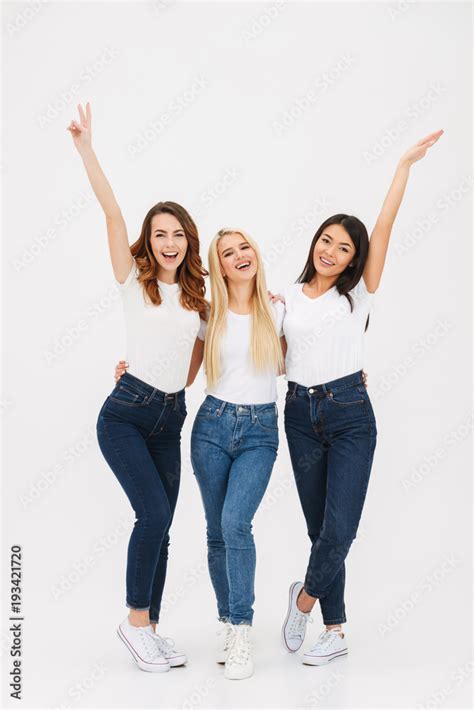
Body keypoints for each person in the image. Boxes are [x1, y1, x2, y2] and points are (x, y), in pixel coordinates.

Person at [280, 130, 443, 665]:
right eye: (326, 240)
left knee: (341, 528)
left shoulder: (358, 293)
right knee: (317, 527)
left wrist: (403, 166)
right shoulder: (284, 299)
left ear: (355, 259)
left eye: (344, 247)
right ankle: (336, 629)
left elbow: (385, 224)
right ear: (314, 243)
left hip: (351, 414)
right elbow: (261, 353)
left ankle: (303, 601)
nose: (332, 251)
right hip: (300, 413)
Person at [67, 102, 208, 673]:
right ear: (149, 243)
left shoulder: (200, 299)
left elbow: (196, 366)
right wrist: (86, 150)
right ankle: (133, 622)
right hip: (125, 415)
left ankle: (150, 626)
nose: (169, 242)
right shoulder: (135, 282)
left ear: (187, 241)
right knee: (152, 514)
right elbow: (110, 213)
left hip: (170, 416)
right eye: (160, 234)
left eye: (177, 234)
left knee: (164, 526)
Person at [190, 228, 285, 680]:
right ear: (220, 266)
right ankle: (227, 622)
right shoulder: (209, 314)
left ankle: (243, 630)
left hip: (260, 431)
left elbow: (302, 360)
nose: (239, 255)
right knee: (215, 531)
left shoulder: (278, 310)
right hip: (211, 425)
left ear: (255, 253)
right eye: (228, 253)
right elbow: (184, 372)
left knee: (235, 523)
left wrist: (352, 373)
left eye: (245, 246)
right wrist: (132, 371)